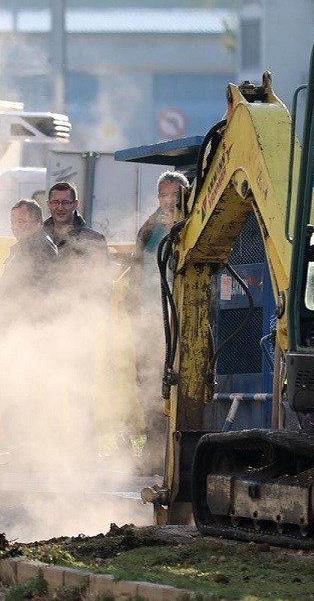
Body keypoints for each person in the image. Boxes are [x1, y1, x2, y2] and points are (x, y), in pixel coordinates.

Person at [42, 181, 109, 460]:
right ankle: (50, 448)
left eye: (66, 202)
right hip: (44, 326)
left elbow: (103, 285)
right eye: (56, 202)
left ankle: (83, 450)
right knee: (47, 388)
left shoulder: (93, 240)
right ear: (49, 204)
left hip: (80, 325)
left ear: (75, 204)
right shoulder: (37, 238)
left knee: (80, 388)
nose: (60, 208)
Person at [128, 171, 188, 474]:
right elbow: (137, 271)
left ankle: (173, 455)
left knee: (174, 387)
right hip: (148, 317)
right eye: (164, 195)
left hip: (179, 320)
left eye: (174, 195)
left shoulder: (192, 227)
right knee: (148, 386)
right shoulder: (149, 229)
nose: (168, 201)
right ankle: (151, 453)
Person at [0, 199, 58, 456]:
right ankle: (21, 449)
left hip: (29, 332)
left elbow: (42, 292)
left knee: (26, 392)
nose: (16, 227)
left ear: (35, 221)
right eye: (13, 221)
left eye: (21, 221)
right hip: (14, 329)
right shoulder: (22, 248)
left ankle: (28, 450)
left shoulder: (40, 247)